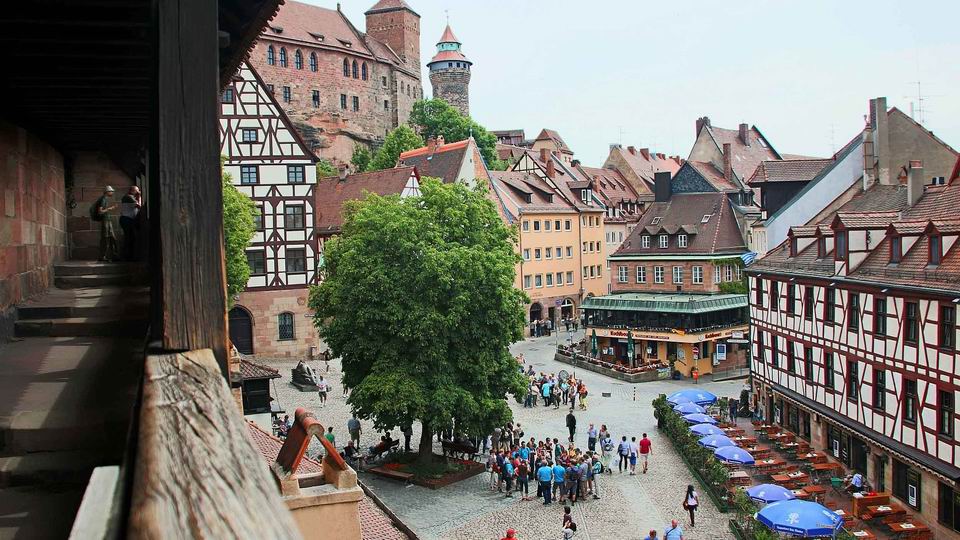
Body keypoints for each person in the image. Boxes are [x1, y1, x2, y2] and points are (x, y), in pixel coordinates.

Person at [93, 186, 119, 262]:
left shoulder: (104, 199)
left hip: (107, 221)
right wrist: (110, 208)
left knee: (111, 238)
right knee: (106, 238)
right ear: (107, 192)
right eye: (111, 191)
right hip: (106, 221)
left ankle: (114, 255)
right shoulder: (103, 199)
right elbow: (100, 211)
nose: (112, 193)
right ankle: (103, 256)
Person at [119, 185, 141, 261]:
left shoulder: (129, 197)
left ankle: (128, 256)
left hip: (127, 219)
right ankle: (127, 257)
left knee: (131, 238)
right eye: (137, 191)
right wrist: (139, 196)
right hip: (126, 220)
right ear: (132, 191)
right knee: (129, 238)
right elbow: (139, 206)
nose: (138, 192)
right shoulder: (129, 197)